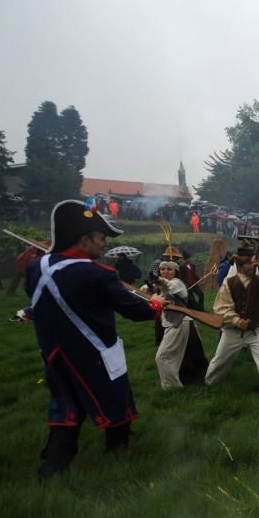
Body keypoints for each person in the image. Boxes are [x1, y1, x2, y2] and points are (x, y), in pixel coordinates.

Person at [25, 200, 164, 480]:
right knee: (115, 395)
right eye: (100, 239)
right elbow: (133, 309)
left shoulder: (35, 267)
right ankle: (118, 446)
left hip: (54, 353)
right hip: (95, 350)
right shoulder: (97, 274)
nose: (103, 245)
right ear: (85, 239)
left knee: (65, 403)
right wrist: (156, 304)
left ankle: (54, 463)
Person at [205, 244, 259, 393]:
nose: (253, 265)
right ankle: (210, 386)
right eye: (249, 263)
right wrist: (237, 321)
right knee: (219, 362)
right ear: (239, 266)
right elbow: (221, 308)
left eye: (253, 262)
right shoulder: (229, 283)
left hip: (256, 332)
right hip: (233, 333)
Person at [152, 261, 207, 389]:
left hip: (180, 324)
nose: (165, 271)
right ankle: (192, 378)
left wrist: (161, 282)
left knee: (163, 357)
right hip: (175, 324)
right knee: (189, 355)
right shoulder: (161, 286)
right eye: (163, 269)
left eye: (169, 269)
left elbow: (169, 287)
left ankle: (172, 387)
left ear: (176, 272)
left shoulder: (178, 283)